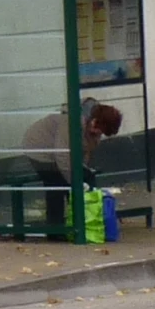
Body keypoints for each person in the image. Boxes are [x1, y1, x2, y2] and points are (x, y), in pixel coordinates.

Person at [18, 98, 122, 230]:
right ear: (95, 121)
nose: (98, 134)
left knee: (86, 177)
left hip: (59, 151)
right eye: (99, 130)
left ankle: (85, 220)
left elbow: (85, 151)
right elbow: (62, 154)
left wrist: (82, 171)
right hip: (39, 148)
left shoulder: (94, 123)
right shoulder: (70, 121)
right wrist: (74, 181)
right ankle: (55, 228)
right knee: (56, 183)